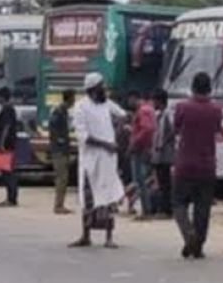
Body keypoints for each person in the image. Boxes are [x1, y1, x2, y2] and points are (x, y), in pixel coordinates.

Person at [69, 73, 126, 249]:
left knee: (109, 199)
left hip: (108, 161)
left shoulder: (106, 104)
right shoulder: (80, 108)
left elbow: (123, 115)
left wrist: (118, 131)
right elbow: (83, 136)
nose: (105, 89)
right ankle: (85, 235)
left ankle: (109, 237)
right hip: (90, 162)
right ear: (93, 89)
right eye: (102, 86)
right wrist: (106, 144)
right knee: (89, 199)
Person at [170, 72, 223, 259]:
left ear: (192, 87)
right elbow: (218, 130)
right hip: (207, 166)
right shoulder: (217, 109)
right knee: (203, 208)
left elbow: (175, 129)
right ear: (209, 88)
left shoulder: (182, 107)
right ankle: (198, 244)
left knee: (178, 203)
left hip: (185, 163)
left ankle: (188, 235)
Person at [128, 90, 158, 218]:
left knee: (140, 180)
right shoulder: (149, 109)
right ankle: (145, 208)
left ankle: (146, 210)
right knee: (143, 180)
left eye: (129, 100)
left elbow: (147, 129)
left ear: (135, 98)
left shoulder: (143, 111)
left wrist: (134, 142)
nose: (129, 103)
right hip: (145, 148)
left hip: (140, 149)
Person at [49, 89, 76, 215]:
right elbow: (53, 128)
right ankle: (58, 206)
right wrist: (59, 140)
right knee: (61, 178)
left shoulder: (64, 112)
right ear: (69, 98)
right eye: (73, 98)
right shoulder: (58, 111)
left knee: (63, 178)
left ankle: (60, 204)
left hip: (63, 149)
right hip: (59, 150)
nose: (74, 101)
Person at [0, 86, 20, 206]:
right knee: (6, 171)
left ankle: (12, 198)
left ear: (2, 97)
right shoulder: (8, 109)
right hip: (7, 144)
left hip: (6, 146)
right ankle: (10, 197)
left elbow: (6, 128)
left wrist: (1, 144)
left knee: (7, 172)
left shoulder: (7, 110)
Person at [150, 90, 175, 218]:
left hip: (165, 155)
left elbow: (173, 130)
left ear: (160, 101)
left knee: (165, 184)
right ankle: (165, 209)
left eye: (154, 100)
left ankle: (167, 210)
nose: (152, 103)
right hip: (159, 155)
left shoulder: (168, 114)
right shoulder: (159, 114)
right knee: (162, 182)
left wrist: (163, 143)